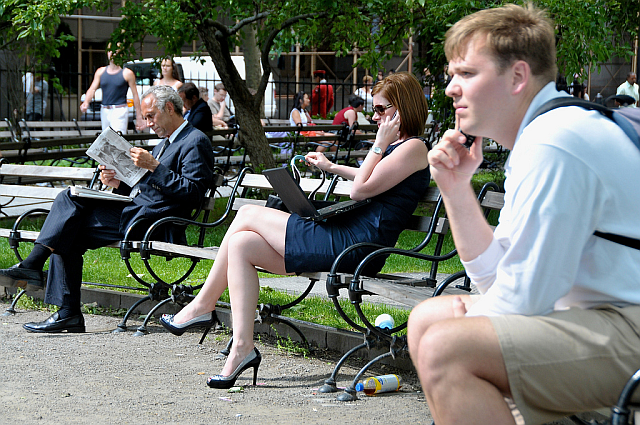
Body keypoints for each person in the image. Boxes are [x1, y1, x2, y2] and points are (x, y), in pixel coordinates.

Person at [407, 4, 640, 425]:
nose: (450, 89)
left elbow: (526, 299)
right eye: (451, 75)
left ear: (517, 76)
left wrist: (471, 317)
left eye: (466, 74)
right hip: (609, 317)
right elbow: (500, 280)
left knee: (446, 347)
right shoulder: (543, 136)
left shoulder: (555, 142)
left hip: (630, 325)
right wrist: (457, 191)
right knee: (429, 319)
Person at [159, 72, 431, 390]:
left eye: (381, 109)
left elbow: (360, 191)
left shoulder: (414, 148)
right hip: (348, 236)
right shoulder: (401, 147)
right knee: (242, 244)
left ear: (402, 109)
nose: (374, 115)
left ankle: (203, 305)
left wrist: (378, 144)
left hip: (359, 246)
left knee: (247, 213)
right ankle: (241, 347)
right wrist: (332, 167)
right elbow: (370, 178)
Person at [0, 85, 216, 333]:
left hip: (154, 223)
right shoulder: (164, 143)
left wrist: (155, 166)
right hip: (136, 213)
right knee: (68, 208)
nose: (147, 123)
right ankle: (59, 302)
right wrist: (118, 183)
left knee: (67, 222)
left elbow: (193, 193)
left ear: (169, 108)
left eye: (150, 116)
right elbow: (145, 186)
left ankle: (47, 284)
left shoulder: (195, 141)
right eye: (146, 118)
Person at [80, 45, 144, 133]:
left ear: (121, 54)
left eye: (116, 51)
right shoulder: (100, 71)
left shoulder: (127, 73)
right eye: (111, 51)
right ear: (107, 53)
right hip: (105, 110)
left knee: (118, 138)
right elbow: (92, 88)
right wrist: (86, 102)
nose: (113, 54)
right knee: (107, 139)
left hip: (119, 110)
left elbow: (135, 95)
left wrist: (139, 117)